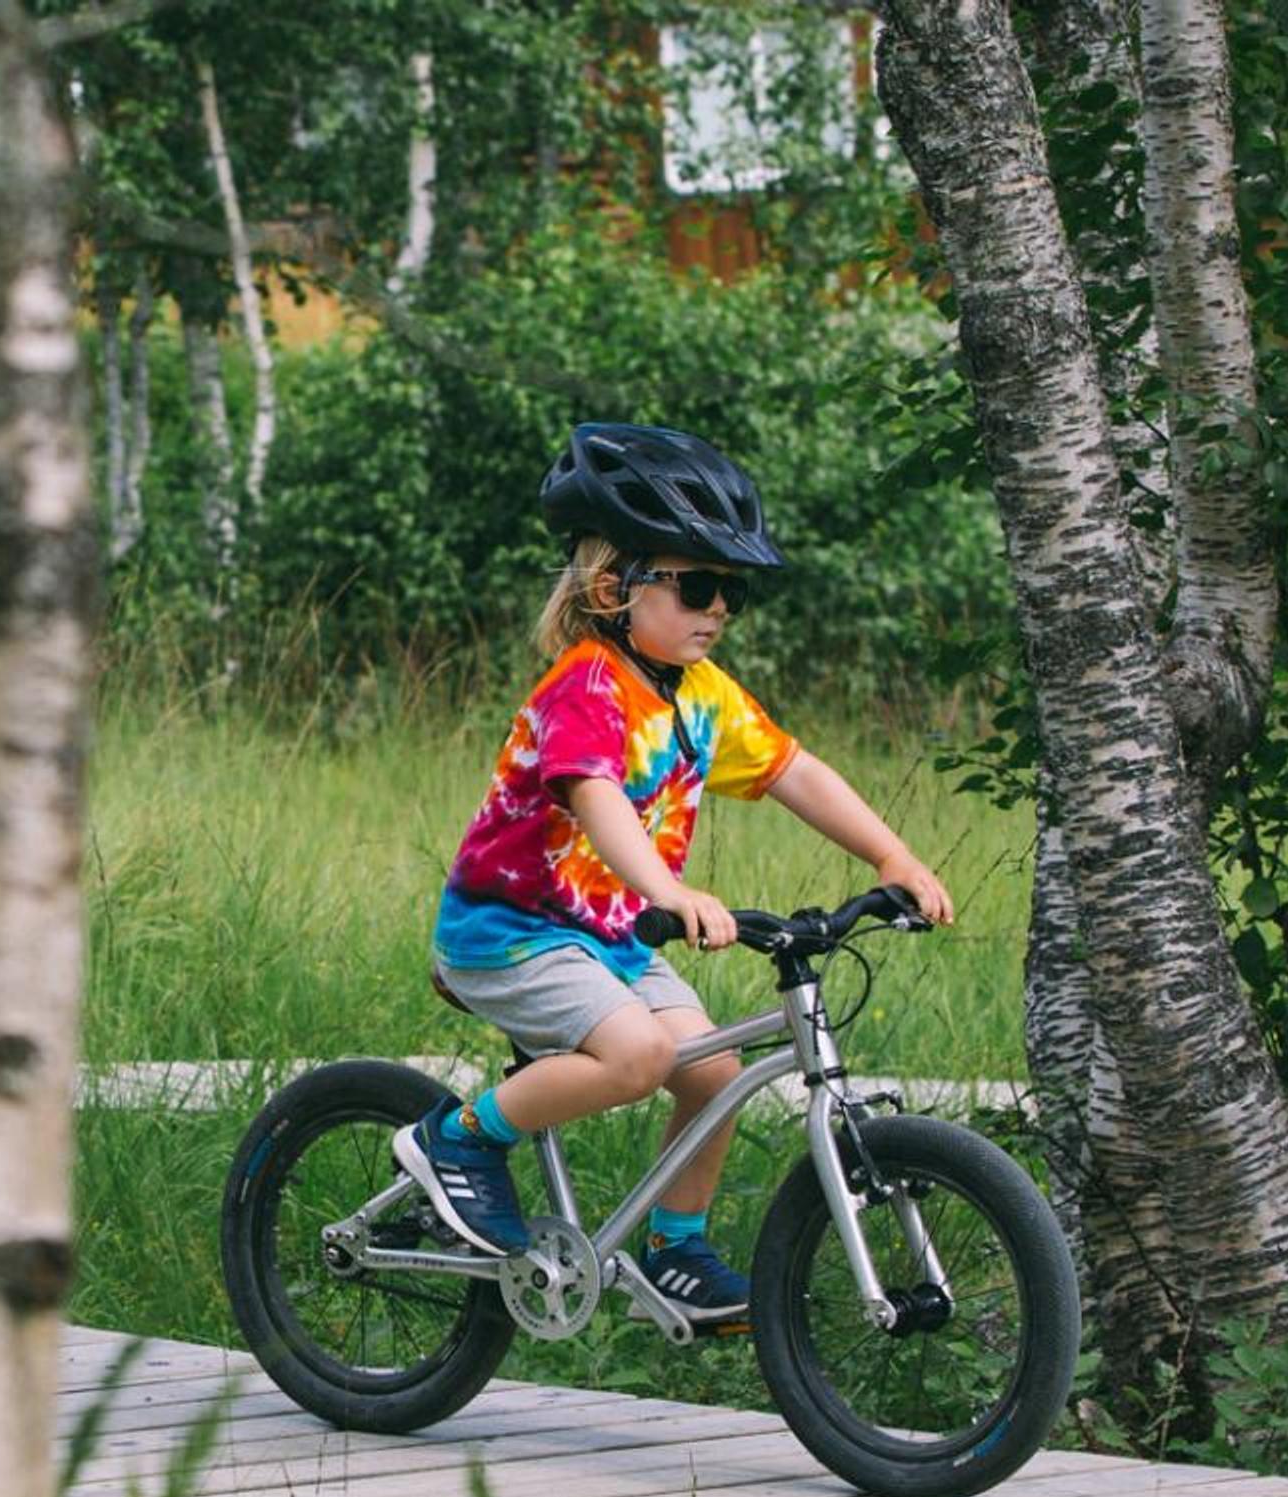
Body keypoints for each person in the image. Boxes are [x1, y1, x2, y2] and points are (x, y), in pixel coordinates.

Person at [393, 421, 958, 1328]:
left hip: (608, 935)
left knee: (713, 1067)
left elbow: (793, 772)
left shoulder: (704, 693)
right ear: (616, 586)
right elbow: (591, 793)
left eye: (729, 590)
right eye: (697, 584)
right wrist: (666, 889)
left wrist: (890, 856)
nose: (719, 608)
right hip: (512, 932)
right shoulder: (586, 684)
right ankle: (453, 1140)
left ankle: (675, 1252)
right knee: (642, 1054)